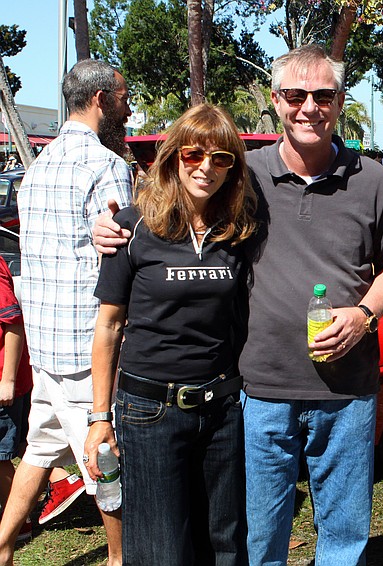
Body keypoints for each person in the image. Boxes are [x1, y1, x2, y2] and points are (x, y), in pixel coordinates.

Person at [94, 44, 383, 565]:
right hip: (260, 389)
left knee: (344, 533)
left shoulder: (372, 178)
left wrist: (364, 315)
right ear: (276, 100)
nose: (309, 107)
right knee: (259, 538)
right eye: (296, 95)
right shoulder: (244, 175)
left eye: (323, 95)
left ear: (339, 101)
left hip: (348, 388)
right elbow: (180, 204)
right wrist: (117, 224)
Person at [84, 104, 255, 565]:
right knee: (160, 549)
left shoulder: (238, 231)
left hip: (221, 408)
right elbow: (109, 325)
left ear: (232, 168)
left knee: (224, 545)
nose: (206, 167)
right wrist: (99, 417)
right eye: (193, 154)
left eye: (221, 158)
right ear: (174, 157)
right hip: (150, 411)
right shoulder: (131, 226)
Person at [0, 58, 131, 565]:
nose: (126, 109)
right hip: (87, 347)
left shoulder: (38, 168)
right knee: (106, 462)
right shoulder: (106, 165)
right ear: (101, 100)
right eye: (123, 99)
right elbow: (123, 257)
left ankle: (3, 547)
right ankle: (120, 558)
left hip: (47, 345)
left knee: (39, 450)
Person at [0, 256, 33, 541]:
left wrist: (7, 381)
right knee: (23, 446)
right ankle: (64, 482)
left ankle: (18, 523)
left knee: (1, 458)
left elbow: (13, 323)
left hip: (4, 384)